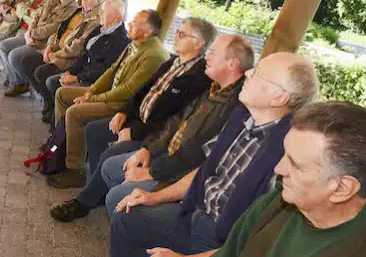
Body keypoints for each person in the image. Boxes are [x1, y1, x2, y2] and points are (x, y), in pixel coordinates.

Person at [109, 52, 320, 257]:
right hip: (195, 213)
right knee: (126, 217)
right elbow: (205, 170)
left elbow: (260, 241)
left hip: (224, 244)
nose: (248, 73)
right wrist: (155, 197)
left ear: (279, 98)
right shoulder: (241, 119)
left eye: (258, 73)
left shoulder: (290, 152)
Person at [50, 32, 246, 221]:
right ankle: (92, 188)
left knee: (112, 170)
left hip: (172, 162)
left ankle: (88, 199)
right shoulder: (201, 80)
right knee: (96, 133)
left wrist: (148, 160)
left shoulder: (212, 88)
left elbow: (193, 151)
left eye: (183, 34)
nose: (176, 36)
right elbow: (161, 108)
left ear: (232, 63)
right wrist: (136, 131)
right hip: (155, 139)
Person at [197, 101, 366, 257]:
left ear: (342, 188)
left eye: (295, 164)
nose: (278, 169)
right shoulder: (278, 201)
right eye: (285, 155)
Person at [98, 36, 255, 202]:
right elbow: (176, 121)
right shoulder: (213, 88)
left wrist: (151, 172)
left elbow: (196, 154)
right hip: (166, 155)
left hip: (180, 175)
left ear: (232, 64)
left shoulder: (235, 106)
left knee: (115, 194)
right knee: (110, 167)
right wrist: (148, 149)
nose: (207, 56)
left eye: (213, 53)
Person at [45, 9, 169, 189]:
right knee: (62, 94)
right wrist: (90, 92)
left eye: (136, 22)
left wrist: (93, 98)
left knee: (75, 113)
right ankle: (61, 142)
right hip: (110, 93)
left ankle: (74, 169)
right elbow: (111, 70)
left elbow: (129, 91)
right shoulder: (135, 43)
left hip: (122, 105)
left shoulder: (154, 55)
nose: (130, 24)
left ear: (148, 31)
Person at [18, 0, 106, 119]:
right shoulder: (78, 11)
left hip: (68, 59)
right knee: (26, 61)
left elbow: (79, 46)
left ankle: (51, 107)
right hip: (55, 52)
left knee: (41, 72)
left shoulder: (97, 19)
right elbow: (58, 30)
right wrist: (49, 47)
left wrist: (56, 54)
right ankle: (49, 102)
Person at [44, 0, 131, 112]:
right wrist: (70, 71)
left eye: (104, 11)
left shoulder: (121, 40)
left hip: (93, 82)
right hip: (82, 72)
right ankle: (56, 115)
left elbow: (104, 71)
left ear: (117, 17)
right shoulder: (99, 29)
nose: (100, 13)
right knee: (52, 81)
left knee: (60, 89)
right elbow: (84, 54)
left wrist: (77, 78)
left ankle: (61, 122)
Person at [3, 0, 80, 97]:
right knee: (4, 47)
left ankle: (28, 86)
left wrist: (32, 34)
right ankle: (20, 82)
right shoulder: (53, 0)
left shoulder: (72, 8)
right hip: (32, 36)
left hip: (44, 43)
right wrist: (29, 33)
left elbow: (53, 28)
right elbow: (36, 17)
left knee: (14, 56)